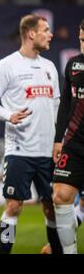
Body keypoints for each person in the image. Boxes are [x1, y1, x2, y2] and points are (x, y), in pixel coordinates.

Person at [0, 14, 62, 254]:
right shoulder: (7, 65)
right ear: (31, 33)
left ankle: (57, 251)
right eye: (45, 30)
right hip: (20, 151)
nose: (50, 34)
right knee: (14, 206)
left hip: (48, 152)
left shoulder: (49, 67)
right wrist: (9, 115)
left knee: (52, 208)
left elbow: (58, 107)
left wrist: (61, 141)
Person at [52, 19, 84, 254]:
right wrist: (57, 139)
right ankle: (68, 251)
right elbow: (65, 104)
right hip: (74, 143)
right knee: (61, 195)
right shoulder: (73, 65)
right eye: (82, 40)